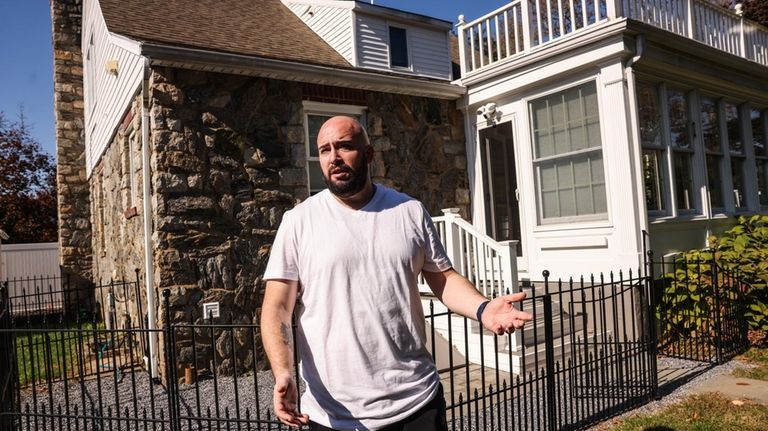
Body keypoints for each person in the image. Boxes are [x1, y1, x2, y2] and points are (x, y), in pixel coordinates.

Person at [261, 116, 532, 431]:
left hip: (416, 405)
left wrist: (483, 308)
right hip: (332, 417)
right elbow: (277, 307)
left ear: (369, 154)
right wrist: (283, 373)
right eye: (324, 150)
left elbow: (442, 278)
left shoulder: (409, 211)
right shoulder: (298, 222)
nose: (333, 157)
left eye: (345, 146)